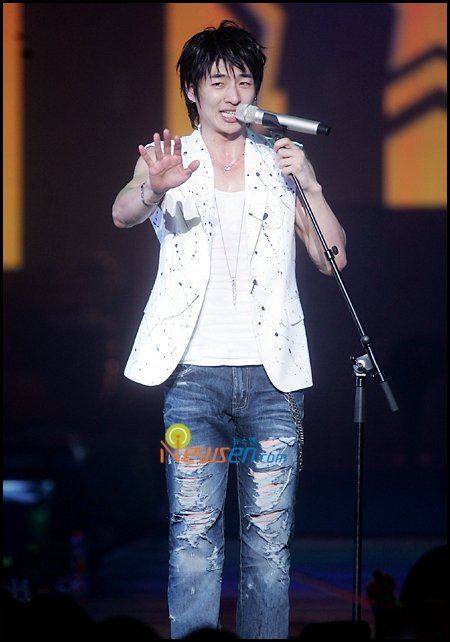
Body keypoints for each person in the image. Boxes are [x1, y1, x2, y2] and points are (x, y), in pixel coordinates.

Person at [112, 19, 347, 640]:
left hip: (273, 380)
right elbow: (123, 211)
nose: (232, 94)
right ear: (193, 90)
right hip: (193, 378)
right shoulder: (171, 159)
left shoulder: (279, 164)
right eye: (217, 81)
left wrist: (312, 185)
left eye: (243, 80)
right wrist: (153, 187)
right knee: (193, 535)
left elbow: (332, 259)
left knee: (269, 544)